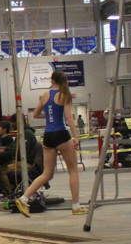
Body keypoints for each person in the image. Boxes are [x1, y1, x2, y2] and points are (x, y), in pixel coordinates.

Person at [16, 70, 84, 217]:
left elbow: (35, 114)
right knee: (73, 170)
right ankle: (76, 206)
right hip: (61, 134)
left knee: (47, 174)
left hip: (48, 136)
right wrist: (76, 136)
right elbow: (68, 117)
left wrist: (49, 116)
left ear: (52, 81)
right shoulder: (65, 94)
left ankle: (24, 198)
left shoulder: (45, 95)